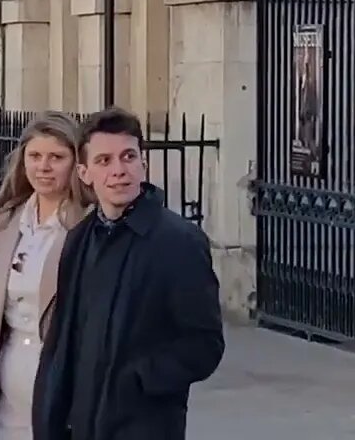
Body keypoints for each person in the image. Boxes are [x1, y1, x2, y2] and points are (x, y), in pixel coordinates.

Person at [33, 107, 225, 440]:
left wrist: (138, 379)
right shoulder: (79, 239)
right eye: (104, 161)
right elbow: (63, 337)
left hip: (143, 426)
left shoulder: (177, 242)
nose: (119, 171)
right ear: (84, 172)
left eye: (128, 157)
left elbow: (205, 344)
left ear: (143, 164)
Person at [0, 111, 92, 439]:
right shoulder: (7, 220)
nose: (44, 167)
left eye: (56, 157)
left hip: (59, 376)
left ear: (75, 163)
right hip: (5, 373)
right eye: (35, 156)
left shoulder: (86, 226)